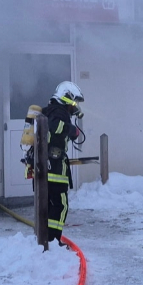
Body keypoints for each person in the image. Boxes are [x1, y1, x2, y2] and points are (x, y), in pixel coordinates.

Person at [37, 81, 84, 245]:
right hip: (55, 169)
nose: (75, 106)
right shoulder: (59, 112)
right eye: (74, 101)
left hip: (45, 167)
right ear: (67, 97)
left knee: (49, 206)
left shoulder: (48, 110)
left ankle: (46, 239)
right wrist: (72, 130)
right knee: (61, 205)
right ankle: (53, 240)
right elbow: (54, 126)